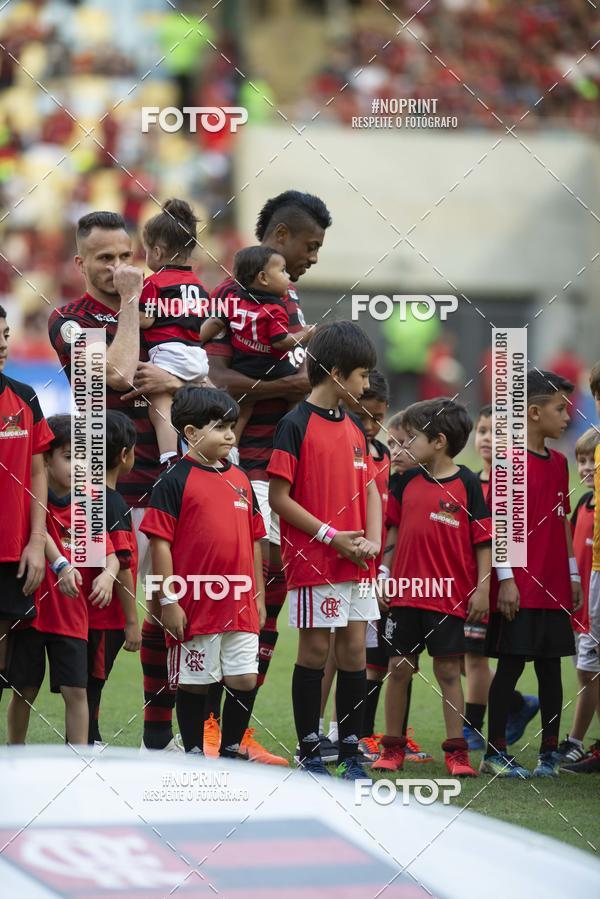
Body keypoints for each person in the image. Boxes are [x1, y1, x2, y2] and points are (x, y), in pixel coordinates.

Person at [48, 211, 203, 753]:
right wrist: (134, 305)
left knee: (168, 604)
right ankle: (85, 735)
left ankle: (160, 737)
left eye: (123, 256)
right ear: (80, 263)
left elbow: (200, 380)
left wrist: (179, 379)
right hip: (99, 489)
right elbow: (112, 375)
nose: (117, 268)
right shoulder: (68, 319)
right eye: (104, 259)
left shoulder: (167, 304)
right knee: (102, 614)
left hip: (163, 483)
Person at [204, 190, 332, 764]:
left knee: (269, 605)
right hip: (240, 472)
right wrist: (287, 389)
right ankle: (209, 731)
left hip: (284, 470)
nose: (312, 258)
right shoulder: (231, 299)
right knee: (236, 602)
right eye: (308, 246)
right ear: (278, 238)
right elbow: (215, 384)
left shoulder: (287, 298)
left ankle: (234, 737)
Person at [268, 321, 381, 780]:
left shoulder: (354, 427)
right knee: (315, 651)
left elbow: (370, 488)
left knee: (355, 652)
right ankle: (310, 748)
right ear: (336, 373)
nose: (366, 385)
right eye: (361, 376)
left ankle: (351, 748)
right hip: (317, 560)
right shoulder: (294, 425)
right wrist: (331, 536)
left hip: (357, 561)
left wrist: (370, 540)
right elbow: (279, 498)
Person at [140, 387, 266, 758]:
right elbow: (160, 544)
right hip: (195, 603)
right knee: (195, 684)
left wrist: (257, 595)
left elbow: (255, 539)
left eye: (232, 426)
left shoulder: (242, 480)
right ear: (191, 432)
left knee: (244, 678)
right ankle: (194, 752)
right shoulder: (174, 481)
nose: (230, 435)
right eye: (220, 427)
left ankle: (230, 749)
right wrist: (168, 601)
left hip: (240, 602)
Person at [372, 398, 491, 777]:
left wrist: (483, 588)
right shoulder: (404, 480)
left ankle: (457, 752)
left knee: (447, 671)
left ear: (438, 441)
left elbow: (483, 542)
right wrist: (384, 575)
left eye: (412, 440)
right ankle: (392, 748)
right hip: (405, 593)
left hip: (449, 597)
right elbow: (390, 529)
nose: (403, 448)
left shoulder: (469, 484)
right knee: (399, 666)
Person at [481, 370, 582, 778]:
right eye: (561, 408)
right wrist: (505, 579)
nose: (568, 416)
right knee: (510, 665)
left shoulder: (559, 463)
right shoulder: (509, 461)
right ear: (535, 413)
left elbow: (562, 522)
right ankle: (494, 752)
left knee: (551, 669)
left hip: (555, 583)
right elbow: (499, 526)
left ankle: (549, 754)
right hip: (519, 585)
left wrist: (573, 572)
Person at [6, 415, 119, 746]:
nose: (80, 465)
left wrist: (109, 577)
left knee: (76, 692)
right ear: (45, 459)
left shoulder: (87, 505)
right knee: (23, 691)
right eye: (70, 457)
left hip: (72, 620)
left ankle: (79, 761)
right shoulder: (31, 501)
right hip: (33, 617)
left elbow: (109, 555)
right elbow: (41, 539)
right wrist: (62, 565)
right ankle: (15, 755)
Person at [343, 373, 433, 766]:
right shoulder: (367, 461)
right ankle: (345, 733)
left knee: (388, 660)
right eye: (394, 442)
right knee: (357, 658)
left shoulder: (402, 475)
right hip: (358, 572)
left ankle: (378, 736)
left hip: (388, 582)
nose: (394, 449)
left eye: (404, 442)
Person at [462, 405, 539, 751]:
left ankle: (472, 728)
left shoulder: (512, 488)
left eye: (498, 433)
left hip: (496, 587)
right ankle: (517, 704)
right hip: (468, 584)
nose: (488, 439)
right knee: (464, 658)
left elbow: (511, 541)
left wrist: (506, 582)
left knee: (474, 658)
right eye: (482, 431)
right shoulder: (470, 482)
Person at [200, 245, 314, 443]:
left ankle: (232, 446)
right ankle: (292, 439)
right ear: (263, 278)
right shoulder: (276, 308)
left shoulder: (233, 298)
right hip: (275, 368)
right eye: (282, 271)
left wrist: (192, 342)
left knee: (244, 406)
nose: (287, 277)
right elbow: (280, 342)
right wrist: (305, 335)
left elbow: (215, 322)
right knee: (299, 394)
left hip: (244, 367)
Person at [0, 304, 53, 692]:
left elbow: (38, 472)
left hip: (12, 554)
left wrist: (36, 542)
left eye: (4, 335)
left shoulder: (24, 397)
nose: (3, 344)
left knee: (8, 668)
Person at [139, 198, 211, 467]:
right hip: (197, 357)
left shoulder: (154, 283)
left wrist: (125, 308)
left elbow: (146, 320)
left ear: (157, 251)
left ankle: (169, 457)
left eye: (145, 249)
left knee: (160, 405)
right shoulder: (198, 285)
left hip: (168, 353)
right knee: (193, 407)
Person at [86, 411, 142, 746]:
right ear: (124, 455)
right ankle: (87, 741)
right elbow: (122, 566)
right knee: (93, 682)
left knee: (87, 683)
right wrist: (132, 621)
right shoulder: (114, 503)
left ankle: (86, 738)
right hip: (104, 617)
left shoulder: (81, 496)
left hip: (81, 612)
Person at [559, 420, 600, 773]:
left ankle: (575, 741)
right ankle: (579, 743)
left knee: (590, 676)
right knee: (587, 676)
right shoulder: (584, 503)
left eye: (593, 462)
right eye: (582, 461)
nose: (586, 468)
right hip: (581, 612)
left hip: (595, 615)